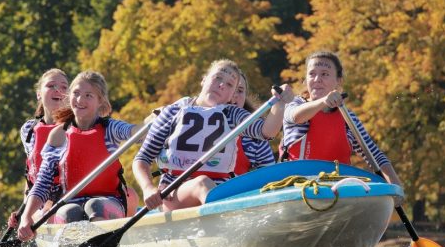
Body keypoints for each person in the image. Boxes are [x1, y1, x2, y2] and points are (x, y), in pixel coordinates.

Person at [133, 59, 293, 211]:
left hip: (220, 191)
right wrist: (148, 188)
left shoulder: (232, 115)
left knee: (211, 186)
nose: (222, 85)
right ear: (204, 80)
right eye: (217, 78)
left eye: (230, 85)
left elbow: (267, 131)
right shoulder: (172, 112)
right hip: (173, 193)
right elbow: (142, 158)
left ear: (232, 96)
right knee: (202, 183)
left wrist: (280, 103)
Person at [17, 71, 144, 242]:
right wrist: (26, 216)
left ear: (100, 101)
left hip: (108, 201)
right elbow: (43, 183)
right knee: (69, 213)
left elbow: (134, 133)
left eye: (88, 95)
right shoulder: (58, 135)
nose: (80, 100)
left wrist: (153, 123)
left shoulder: (110, 128)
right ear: (69, 97)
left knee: (95, 206)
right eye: (76, 94)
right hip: (69, 202)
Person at [281, 51, 402, 186]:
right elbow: (296, 117)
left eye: (325, 74)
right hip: (298, 184)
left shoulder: (348, 118)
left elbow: (375, 156)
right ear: (305, 80)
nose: (317, 79)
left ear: (338, 81)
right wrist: (323, 102)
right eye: (312, 74)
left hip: (339, 188)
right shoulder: (294, 104)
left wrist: (395, 185)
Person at [8, 69, 69, 229]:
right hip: (41, 199)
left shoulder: (76, 127)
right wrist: (23, 209)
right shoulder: (28, 130)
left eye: (64, 87)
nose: (58, 90)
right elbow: (32, 175)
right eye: (51, 86)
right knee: (41, 213)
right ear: (39, 94)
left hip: (69, 194)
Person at [230, 70, 276, 175]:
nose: (234, 95)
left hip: (238, 190)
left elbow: (269, 175)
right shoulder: (197, 119)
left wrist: (279, 104)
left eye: (240, 90)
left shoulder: (256, 139)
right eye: (230, 87)